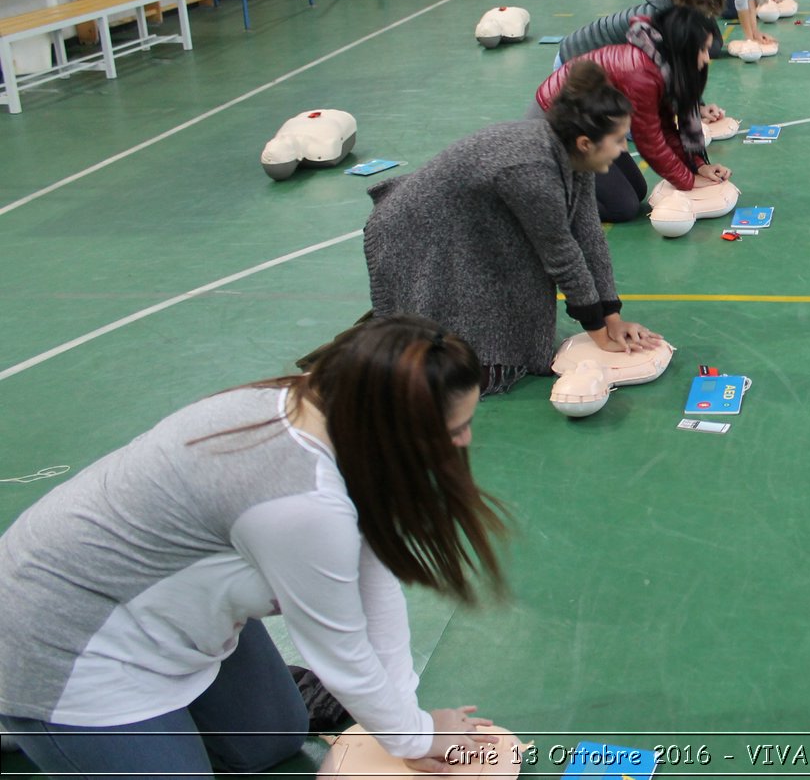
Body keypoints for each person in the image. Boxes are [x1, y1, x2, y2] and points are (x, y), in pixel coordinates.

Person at [0, 316, 513, 778]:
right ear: (390, 428)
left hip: (163, 616)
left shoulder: (325, 411)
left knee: (273, 742)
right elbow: (341, 648)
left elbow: (373, 583)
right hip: (61, 644)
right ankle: (25, 720)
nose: (464, 442)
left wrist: (406, 719)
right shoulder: (301, 503)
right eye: (453, 429)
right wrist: (417, 735)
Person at [367, 62, 665, 393]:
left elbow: (589, 236)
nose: (625, 148)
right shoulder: (533, 169)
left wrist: (612, 317)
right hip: (419, 229)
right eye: (620, 139)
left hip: (465, 221)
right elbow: (562, 254)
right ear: (585, 142)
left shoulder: (574, 154)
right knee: (468, 368)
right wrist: (598, 335)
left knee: (510, 325)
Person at [539, 8, 728, 224]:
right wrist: (689, 180)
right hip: (559, 121)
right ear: (682, 49)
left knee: (638, 189)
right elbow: (649, 139)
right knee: (623, 208)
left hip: (594, 124)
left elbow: (665, 127)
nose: (706, 59)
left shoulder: (663, 64)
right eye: (702, 50)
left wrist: (698, 166)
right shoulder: (643, 74)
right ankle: (549, 198)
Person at [557, 0, 725, 68]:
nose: (708, 17)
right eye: (707, 12)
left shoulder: (672, 11)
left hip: (592, 61)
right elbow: (665, 77)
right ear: (694, 5)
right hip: (573, 60)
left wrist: (698, 108)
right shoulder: (658, 24)